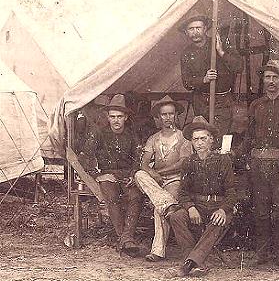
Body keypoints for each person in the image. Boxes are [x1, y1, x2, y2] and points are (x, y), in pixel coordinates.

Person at [238, 59, 279, 269]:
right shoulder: (256, 105)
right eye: (267, 77)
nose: (271, 81)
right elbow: (248, 138)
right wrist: (239, 157)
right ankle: (262, 253)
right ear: (263, 80)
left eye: (275, 77)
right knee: (260, 211)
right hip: (259, 166)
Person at [167, 116, 237, 277]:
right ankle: (195, 262)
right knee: (177, 217)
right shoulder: (189, 162)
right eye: (195, 139)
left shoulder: (223, 160)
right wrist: (191, 208)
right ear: (191, 142)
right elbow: (183, 192)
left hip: (218, 206)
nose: (199, 143)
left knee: (218, 220)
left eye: (203, 139)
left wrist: (222, 210)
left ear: (211, 140)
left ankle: (189, 264)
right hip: (197, 206)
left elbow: (231, 192)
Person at [79, 94, 143, 256]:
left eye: (120, 117)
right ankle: (127, 239)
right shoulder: (99, 132)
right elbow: (84, 157)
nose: (116, 120)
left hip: (126, 175)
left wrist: (133, 173)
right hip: (107, 175)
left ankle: (125, 238)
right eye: (112, 116)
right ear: (107, 117)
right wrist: (97, 175)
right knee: (112, 197)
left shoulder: (131, 134)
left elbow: (137, 157)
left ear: (126, 117)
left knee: (135, 196)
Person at [134, 95, 192, 262]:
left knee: (158, 207)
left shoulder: (183, 137)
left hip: (175, 179)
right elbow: (144, 164)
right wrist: (153, 174)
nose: (168, 117)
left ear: (176, 115)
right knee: (139, 175)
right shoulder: (154, 138)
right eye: (164, 114)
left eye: (171, 114)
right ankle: (168, 205)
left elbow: (182, 163)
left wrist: (160, 172)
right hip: (157, 182)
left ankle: (158, 251)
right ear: (158, 118)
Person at [179, 12, 243, 139]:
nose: (195, 32)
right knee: (202, 136)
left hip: (222, 101)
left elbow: (238, 67)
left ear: (205, 29)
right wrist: (204, 79)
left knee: (218, 137)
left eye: (198, 28)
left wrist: (221, 52)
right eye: (191, 29)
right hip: (201, 102)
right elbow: (186, 82)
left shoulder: (219, 44)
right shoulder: (186, 53)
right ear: (186, 32)